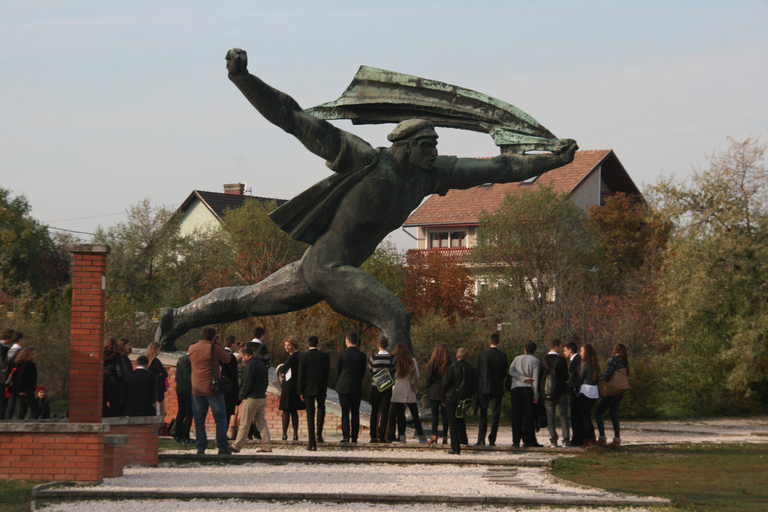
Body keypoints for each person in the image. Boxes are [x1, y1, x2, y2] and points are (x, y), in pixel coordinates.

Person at [154, 48, 578, 354]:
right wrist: (244, 79)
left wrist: (553, 160)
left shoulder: (430, 175)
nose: (434, 150)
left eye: (435, 144)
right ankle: (402, 397)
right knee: (395, 318)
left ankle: (177, 318)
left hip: (318, 268)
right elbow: (293, 118)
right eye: (427, 144)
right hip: (330, 267)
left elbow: (499, 169)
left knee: (247, 299)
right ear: (406, 145)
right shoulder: (364, 159)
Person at [188, 327, 232, 455]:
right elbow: (227, 359)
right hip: (213, 388)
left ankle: (200, 447)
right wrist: (219, 344)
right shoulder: (214, 348)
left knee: (199, 419)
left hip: (196, 388)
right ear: (213, 337)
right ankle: (222, 447)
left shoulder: (192, 348)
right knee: (220, 418)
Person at [229, 346, 272, 453]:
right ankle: (267, 446)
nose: (242, 359)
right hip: (261, 397)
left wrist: (240, 396)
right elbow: (266, 382)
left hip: (251, 398)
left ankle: (236, 446)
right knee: (261, 423)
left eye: (242, 356)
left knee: (244, 423)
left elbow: (246, 383)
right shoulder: (262, 365)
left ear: (247, 355)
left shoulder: (249, 366)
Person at [441, 347, 478, 455]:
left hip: (451, 397)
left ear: (457, 356)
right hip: (464, 398)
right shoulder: (471, 369)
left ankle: (456, 447)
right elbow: (475, 385)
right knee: (460, 418)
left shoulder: (451, 368)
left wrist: (442, 397)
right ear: (467, 357)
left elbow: (445, 384)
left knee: (452, 422)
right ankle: (463, 439)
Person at [297, 335, 330, 451]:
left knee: (310, 415)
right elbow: (327, 373)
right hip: (321, 388)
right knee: (321, 409)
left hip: (308, 389)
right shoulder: (325, 356)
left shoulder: (303, 357)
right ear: (318, 344)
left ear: (308, 344)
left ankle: (312, 443)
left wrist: (300, 391)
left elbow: (301, 375)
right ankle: (319, 435)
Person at [387, 343, 425, 443]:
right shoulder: (412, 361)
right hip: (409, 387)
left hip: (397, 388)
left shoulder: (394, 361)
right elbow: (417, 375)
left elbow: (391, 374)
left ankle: (402, 436)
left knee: (400, 414)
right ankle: (421, 436)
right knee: (415, 414)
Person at [476, 333, 508, 446]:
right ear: (498, 342)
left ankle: (481, 438)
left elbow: (479, 371)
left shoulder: (482, 355)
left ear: (489, 342)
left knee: (483, 413)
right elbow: (505, 372)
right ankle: (492, 439)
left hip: (484, 387)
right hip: (497, 387)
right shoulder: (503, 356)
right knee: (495, 414)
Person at [596, 343, 629, 449]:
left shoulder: (612, 360)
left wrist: (600, 379)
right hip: (620, 391)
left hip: (611, 391)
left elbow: (607, 374)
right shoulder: (625, 363)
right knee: (614, 415)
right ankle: (617, 439)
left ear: (616, 350)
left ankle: (602, 438)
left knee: (598, 413)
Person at [509, 340, 541, 448]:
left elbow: (511, 371)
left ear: (524, 349)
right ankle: (528, 440)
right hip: (528, 389)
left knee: (516, 415)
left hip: (516, 387)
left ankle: (516, 440)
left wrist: (521, 378)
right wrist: (536, 394)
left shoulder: (517, 358)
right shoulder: (536, 361)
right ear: (535, 351)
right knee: (528, 416)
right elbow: (535, 378)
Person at [335, 331, 367, 442]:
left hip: (343, 385)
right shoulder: (362, 355)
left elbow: (338, 371)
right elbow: (363, 372)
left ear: (348, 341)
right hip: (356, 386)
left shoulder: (342, 354)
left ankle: (345, 435)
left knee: (345, 412)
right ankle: (354, 436)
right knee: (355, 412)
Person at [541, 339, 570, 447]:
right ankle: (565, 439)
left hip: (548, 392)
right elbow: (566, 377)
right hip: (561, 391)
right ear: (556, 347)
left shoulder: (543, 360)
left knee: (550, 416)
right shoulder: (561, 360)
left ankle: (553, 440)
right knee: (564, 416)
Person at [367, 337, 395, 443]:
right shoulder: (392, 358)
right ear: (387, 345)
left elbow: (370, 372)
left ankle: (373, 436)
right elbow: (393, 372)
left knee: (374, 412)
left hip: (375, 387)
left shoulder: (373, 358)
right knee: (385, 412)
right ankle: (382, 436)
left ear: (378, 345)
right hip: (387, 387)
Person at [278, 336, 305, 441]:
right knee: (293, 411)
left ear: (294, 345)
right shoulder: (300, 356)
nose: (286, 347)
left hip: (289, 385)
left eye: (288, 345)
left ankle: (284, 434)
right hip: (296, 385)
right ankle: (295, 434)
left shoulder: (293, 356)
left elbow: (283, 369)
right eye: (285, 345)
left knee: (286, 410)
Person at [425, 343, 451, 445]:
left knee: (434, 415)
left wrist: (428, 386)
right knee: (445, 415)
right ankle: (445, 436)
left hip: (434, 390)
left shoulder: (434, 362)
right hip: (446, 391)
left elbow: (428, 377)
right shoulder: (450, 363)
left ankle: (434, 435)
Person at [576, 343, 600, 448]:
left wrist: (576, 390)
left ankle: (589, 439)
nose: (580, 353)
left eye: (582, 351)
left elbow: (580, 378)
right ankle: (592, 439)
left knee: (585, 417)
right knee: (588, 416)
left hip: (585, 390)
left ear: (586, 352)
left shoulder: (585, 364)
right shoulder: (595, 364)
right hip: (594, 391)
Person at [10, 347, 39, 419]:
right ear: (27, 355)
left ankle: (20, 427)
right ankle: (32, 426)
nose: (35, 355)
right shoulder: (28, 365)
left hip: (23, 391)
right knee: (36, 409)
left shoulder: (20, 364)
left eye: (35, 354)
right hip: (26, 392)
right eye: (32, 354)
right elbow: (20, 378)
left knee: (22, 411)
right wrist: (21, 390)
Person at [564, 341, 583, 447]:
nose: (564, 352)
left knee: (576, 416)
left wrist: (575, 389)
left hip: (575, 391)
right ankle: (578, 437)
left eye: (565, 350)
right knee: (575, 416)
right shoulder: (574, 360)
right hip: (574, 390)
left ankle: (577, 438)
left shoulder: (576, 361)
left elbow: (577, 377)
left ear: (570, 350)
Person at [174, 351, 195, 443]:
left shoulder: (180, 360)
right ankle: (185, 436)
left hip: (180, 389)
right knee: (189, 414)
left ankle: (177, 435)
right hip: (190, 389)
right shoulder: (193, 361)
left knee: (181, 413)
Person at [221, 335, 240, 434]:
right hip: (229, 388)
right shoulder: (231, 358)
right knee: (227, 412)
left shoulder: (219, 355)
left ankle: (219, 432)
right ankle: (223, 433)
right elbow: (234, 376)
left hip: (219, 388)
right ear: (233, 344)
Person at [3, 331, 24, 419]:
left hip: (9, 378)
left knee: (11, 403)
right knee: (17, 403)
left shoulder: (9, 350)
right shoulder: (19, 352)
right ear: (20, 339)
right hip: (16, 380)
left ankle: (8, 420)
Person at [103, 338, 125, 417]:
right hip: (114, 382)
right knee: (114, 402)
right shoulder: (117, 356)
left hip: (102, 381)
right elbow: (120, 373)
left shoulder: (101, 355)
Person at [146, 342, 168, 418]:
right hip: (158, 387)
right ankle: (160, 424)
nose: (160, 351)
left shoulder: (147, 360)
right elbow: (165, 373)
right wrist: (161, 374)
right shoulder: (156, 361)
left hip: (150, 386)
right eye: (159, 349)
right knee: (159, 406)